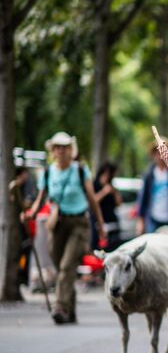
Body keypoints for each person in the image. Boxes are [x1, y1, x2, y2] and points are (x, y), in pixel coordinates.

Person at [24, 132, 106, 324]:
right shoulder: (47, 172)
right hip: (56, 224)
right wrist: (31, 213)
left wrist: (100, 225)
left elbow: (92, 199)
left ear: (71, 150)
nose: (61, 151)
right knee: (60, 265)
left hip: (78, 223)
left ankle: (60, 306)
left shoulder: (80, 170)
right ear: (52, 151)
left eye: (65, 147)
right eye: (58, 147)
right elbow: (41, 198)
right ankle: (70, 310)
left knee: (67, 266)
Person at [137, 139, 168, 234]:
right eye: (157, 153)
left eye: (163, 153)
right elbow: (143, 198)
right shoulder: (149, 174)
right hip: (153, 219)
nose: (160, 156)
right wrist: (141, 221)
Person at [91, 161, 123, 251]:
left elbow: (119, 203)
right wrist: (104, 192)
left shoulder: (112, 186)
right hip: (98, 222)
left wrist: (115, 193)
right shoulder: (94, 185)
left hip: (112, 222)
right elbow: (93, 202)